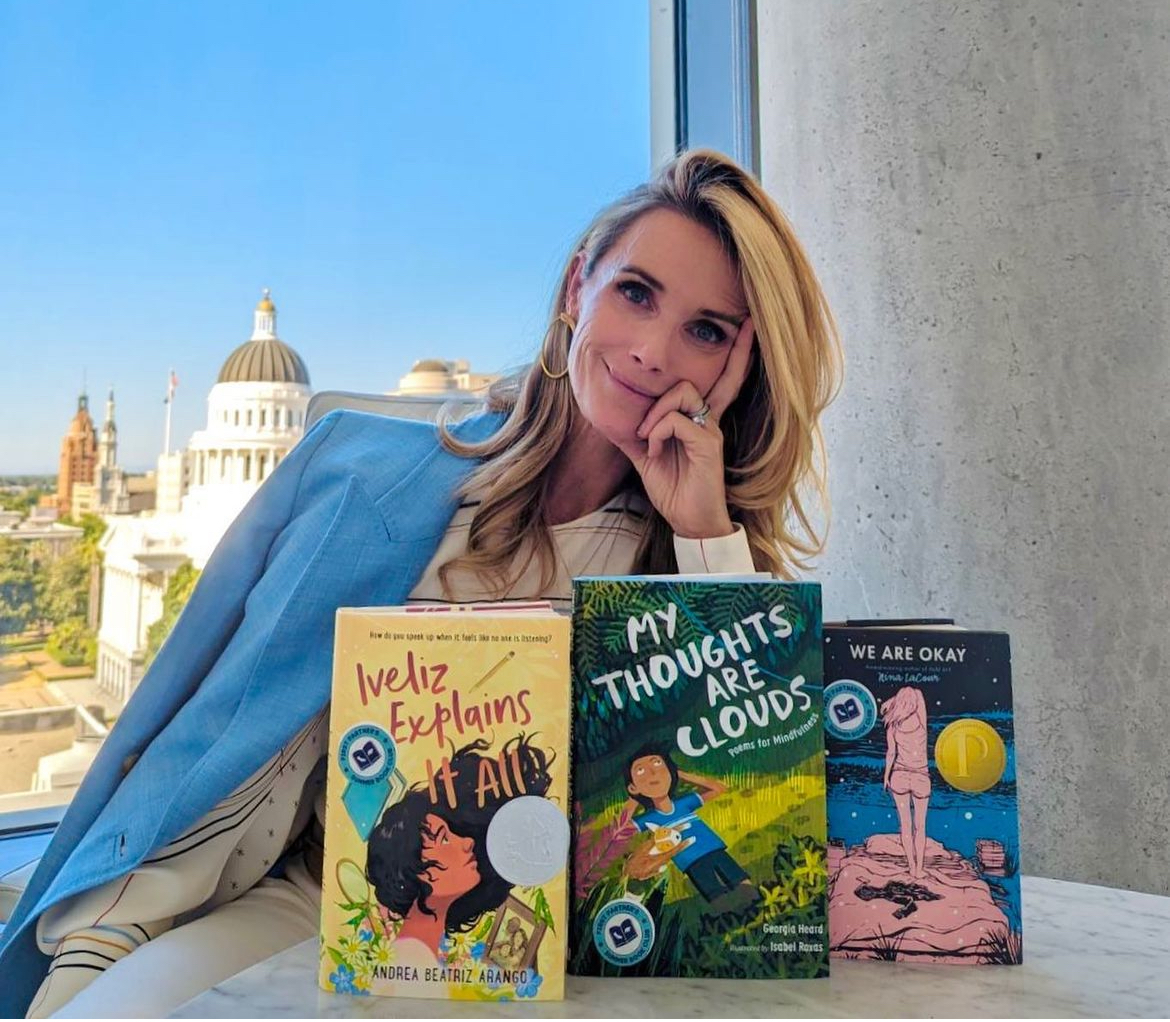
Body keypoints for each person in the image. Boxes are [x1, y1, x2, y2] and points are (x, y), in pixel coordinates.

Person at [0, 148, 841, 1017]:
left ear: (739, 368)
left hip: (576, 947)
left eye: (708, 331)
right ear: (575, 290)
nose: (654, 351)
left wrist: (702, 531)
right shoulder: (370, 476)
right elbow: (214, 724)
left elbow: (744, 804)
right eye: (635, 293)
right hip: (324, 902)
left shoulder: (705, 556)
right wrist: (108, 937)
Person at [365, 736, 552, 963]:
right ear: (419, 870)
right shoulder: (411, 961)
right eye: (444, 839)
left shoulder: (427, 955)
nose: (467, 842)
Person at [622, 744, 754, 904]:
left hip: (713, 848)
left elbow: (718, 788)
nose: (652, 773)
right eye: (641, 770)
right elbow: (620, 828)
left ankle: (756, 908)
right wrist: (633, 796)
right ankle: (730, 921)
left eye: (657, 763)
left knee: (741, 883)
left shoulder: (684, 802)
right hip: (690, 861)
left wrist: (682, 775)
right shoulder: (649, 818)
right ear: (633, 786)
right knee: (716, 895)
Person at [881, 686, 931, 878]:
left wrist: (886, 776)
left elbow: (891, 753)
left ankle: (911, 866)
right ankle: (919, 869)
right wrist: (902, 697)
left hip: (899, 776)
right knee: (920, 826)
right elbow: (919, 694)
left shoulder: (893, 725)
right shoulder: (920, 721)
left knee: (905, 825)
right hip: (920, 777)